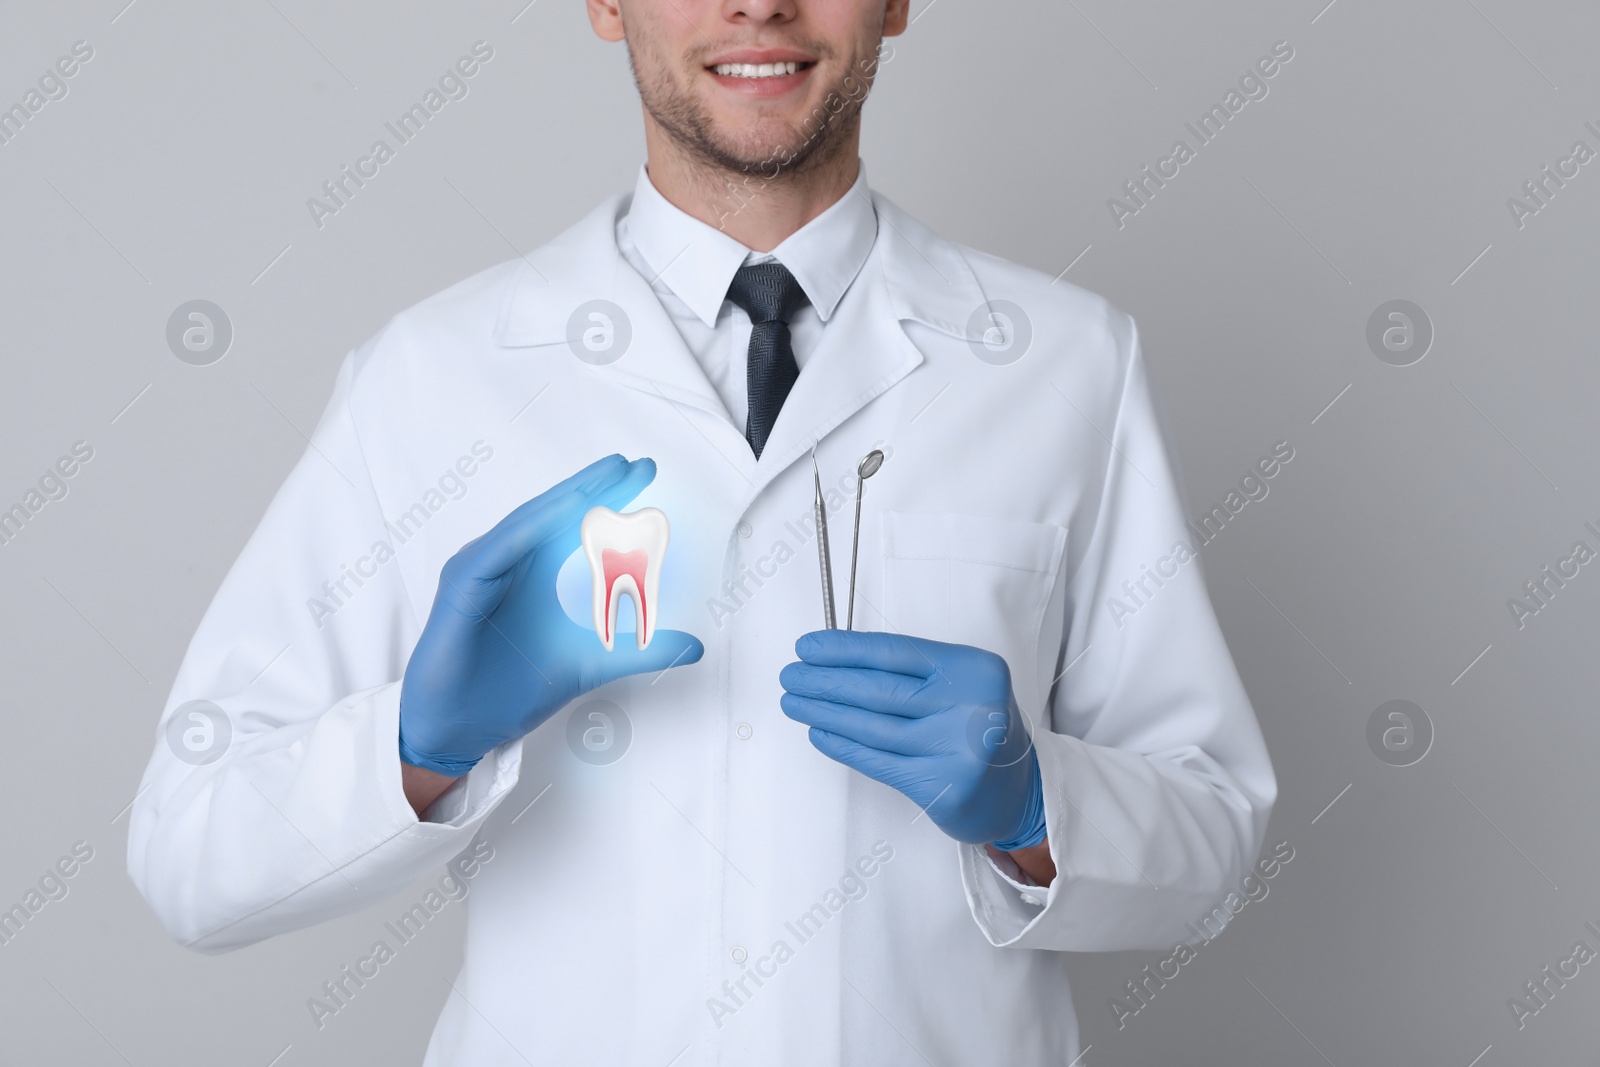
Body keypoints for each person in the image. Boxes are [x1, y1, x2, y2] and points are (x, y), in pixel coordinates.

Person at [129, 0, 1277, 1062]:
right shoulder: (437, 375)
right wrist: (418, 744)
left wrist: (1039, 813)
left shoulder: (1063, 363)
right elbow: (191, 851)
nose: (758, 4)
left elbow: (1213, 838)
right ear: (606, 1)